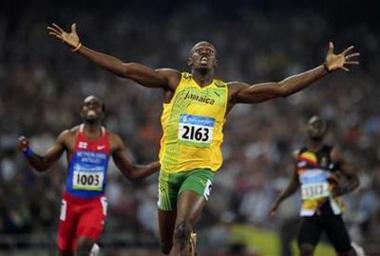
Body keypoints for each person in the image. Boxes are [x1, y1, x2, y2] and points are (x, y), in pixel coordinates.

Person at [47, 23, 360, 256]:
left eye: (211, 50)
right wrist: (80, 48)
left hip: (201, 170)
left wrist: (323, 69)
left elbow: (279, 88)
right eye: (199, 49)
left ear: (216, 63)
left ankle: (188, 238)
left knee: (184, 228)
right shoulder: (172, 82)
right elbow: (126, 70)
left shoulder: (228, 92)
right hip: (169, 172)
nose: (205, 51)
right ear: (189, 60)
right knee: (168, 245)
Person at [17, 95, 160, 256]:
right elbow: (43, 165)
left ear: (102, 113)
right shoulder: (69, 137)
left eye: (96, 105)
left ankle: (89, 249)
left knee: (83, 245)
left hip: (94, 204)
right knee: (65, 251)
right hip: (70, 203)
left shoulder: (112, 141)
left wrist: (159, 164)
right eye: (87, 104)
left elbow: (132, 172)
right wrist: (27, 151)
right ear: (81, 111)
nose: (91, 106)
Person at [269, 116, 360, 256]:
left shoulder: (333, 154)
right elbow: (294, 183)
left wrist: (342, 190)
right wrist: (278, 201)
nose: (317, 128)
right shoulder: (299, 155)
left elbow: (354, 180)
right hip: (310, 212)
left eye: (320, 125)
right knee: (305, 249)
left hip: (331, 211)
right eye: (314, 125)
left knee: (344, 252)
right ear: (307, 129)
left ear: (325, 131)